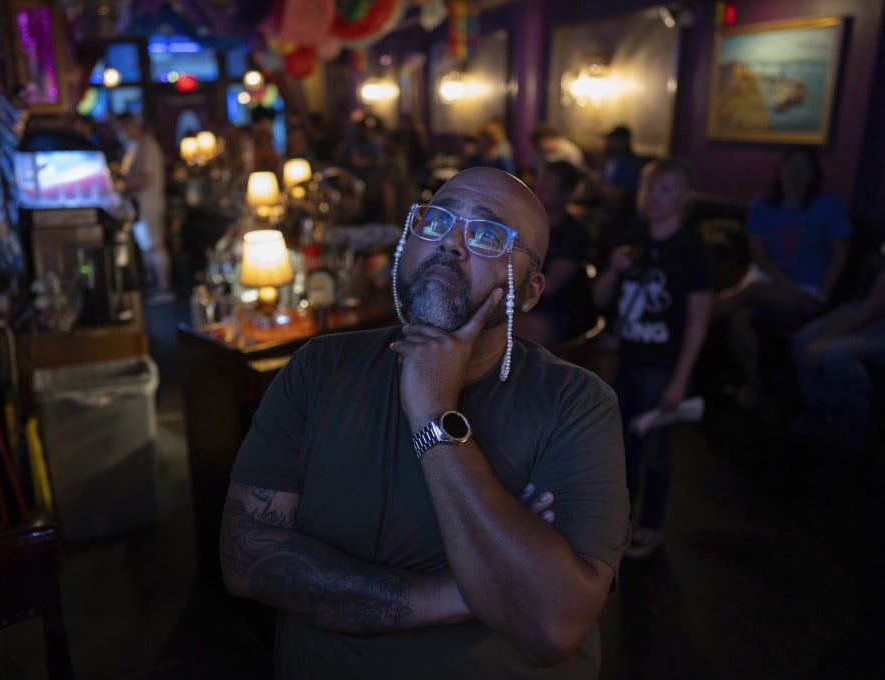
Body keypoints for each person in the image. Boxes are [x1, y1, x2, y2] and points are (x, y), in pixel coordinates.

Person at [220, 167, 630, 678]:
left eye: (486, 234)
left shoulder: (577, 404)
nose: (451, 243)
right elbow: (245, 558)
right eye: (436, 221)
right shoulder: (318, 369)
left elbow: (550, 626)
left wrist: (433, 412)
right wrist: (466, 592)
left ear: (529, 291)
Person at [592, 157, 714, 558]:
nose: (654, 197)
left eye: (665, 188)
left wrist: (681, 379)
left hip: (663, 363)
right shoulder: (631, 236)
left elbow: (698, 321)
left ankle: (651, 525)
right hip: (626, 358)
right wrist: (612, 270)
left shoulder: (693, 251)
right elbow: (599, 300)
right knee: (620, 444)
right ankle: (621, 520)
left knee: (657, 447)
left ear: (684, 197)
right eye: (649, 188)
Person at [710, 145, 851, 408]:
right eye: (791, 165)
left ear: (813, 173)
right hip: (770, 284)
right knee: (739, 316)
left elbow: (840, 253)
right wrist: (789, 287)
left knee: (747, 292)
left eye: (803, 166)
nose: (796, 172)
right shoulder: (762, 206)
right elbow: (760, 257)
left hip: (810, 292)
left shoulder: (827, 205)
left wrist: (823, 292)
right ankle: (753, 383)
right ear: (780, 170)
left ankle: (687, 330)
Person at [791, 257, 885, 451]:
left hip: (876, 317)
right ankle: (821, 411)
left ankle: (859, 420)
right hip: (866, 307)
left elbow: (875, 305)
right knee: (802, 341)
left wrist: (827, 339)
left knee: (835, 354)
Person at [515, 161, 593, 347]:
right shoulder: (527, 226)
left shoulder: (574, 234)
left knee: (498, 329)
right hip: (523, 305)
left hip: (555, 312)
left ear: (566, 194)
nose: (539, 193)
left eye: (547, 189)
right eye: (539, 186)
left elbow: (548, 287)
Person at [116, 112, 172, 304]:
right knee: (149, 248)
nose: (121, 133)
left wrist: (124, 185)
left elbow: (145, 178)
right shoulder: (137, 146)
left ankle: (164, 288)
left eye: (123, 129)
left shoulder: (146, 145)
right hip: (141, 205)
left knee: (156, 246)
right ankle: (155, 285)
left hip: (149, 205)